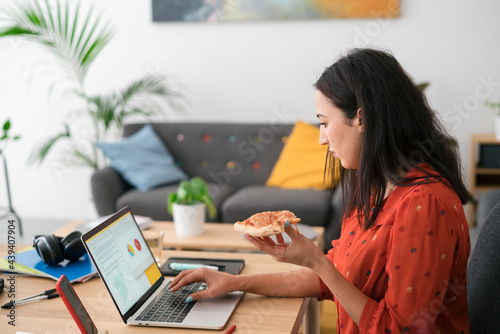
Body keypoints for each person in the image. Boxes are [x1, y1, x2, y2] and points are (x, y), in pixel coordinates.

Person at [170, 48, 471, 333]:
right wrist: (234, 283)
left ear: (361, 118)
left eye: (325, 124)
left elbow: (396, 329)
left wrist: (317, 261)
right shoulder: (375, 187)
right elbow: (332, 279)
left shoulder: (425, 204)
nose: (321, 140)